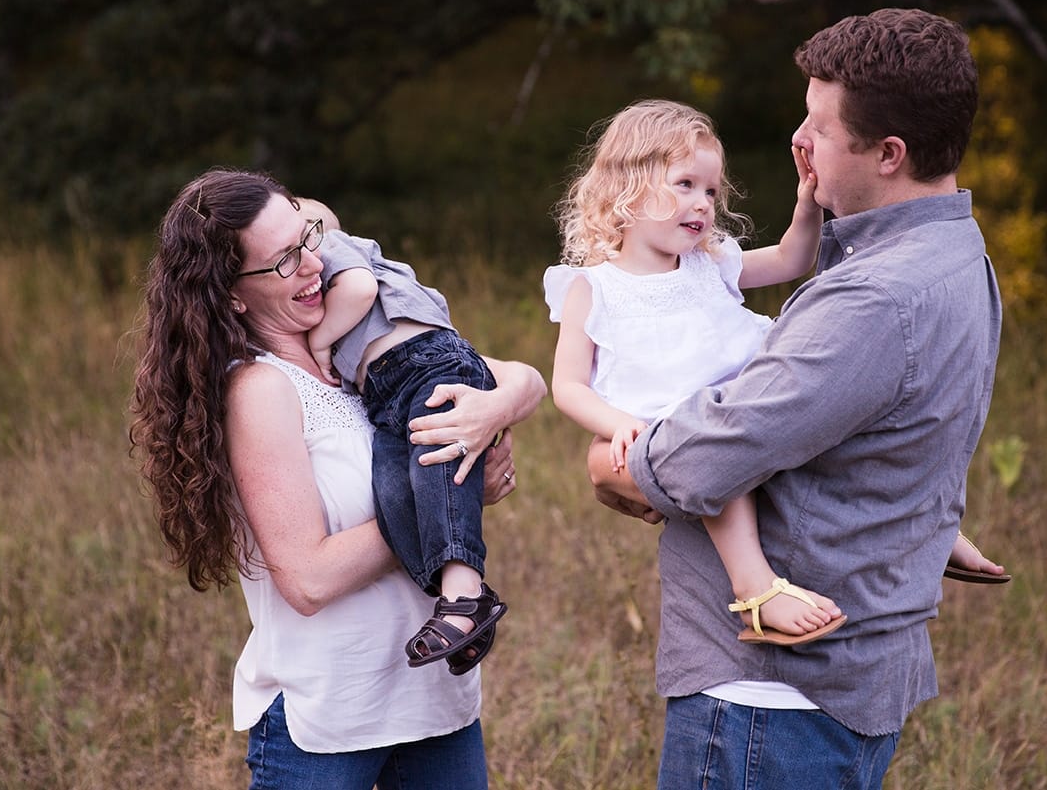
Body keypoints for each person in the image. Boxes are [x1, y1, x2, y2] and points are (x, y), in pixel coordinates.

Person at [588, 9, 1004, 788]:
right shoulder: (957, 253)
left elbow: (697, 463)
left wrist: (609, 461)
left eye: (818, 125)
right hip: (844, 680)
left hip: (770, 703)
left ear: (888, 153)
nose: (798, 141)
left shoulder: (873, 300)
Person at [130, 168, 546, 788]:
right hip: (329, 724)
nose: (312, 265)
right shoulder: (261, 388)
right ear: (232, 295)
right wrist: (449, 502)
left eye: (308, 240)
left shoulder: (360, 350)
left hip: (435, 706)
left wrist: (494, 410)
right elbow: (309, 579)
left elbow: (524, 376)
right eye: (283, 262)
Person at [545, 98, 846, 645]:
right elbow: (566, 386)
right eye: (685, 184)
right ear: (626, 189)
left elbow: (789, 260)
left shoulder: (709, 263)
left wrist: (807, 203)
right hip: (674, 428)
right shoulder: (594, 287)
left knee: (833, 418)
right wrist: (619, 424)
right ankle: (755, 590)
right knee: (713, 453)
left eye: (710, 191)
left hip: (751, 403)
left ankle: (925, 527)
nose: (703, 204)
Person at [298, 196, 507, 673]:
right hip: (386, 394)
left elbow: (359, 288)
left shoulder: (332, 246)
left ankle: (462, 601)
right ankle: (468, 601)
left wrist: (320, 340)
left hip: (427, 362)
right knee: (393, 496)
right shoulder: (317, 258)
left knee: (435, 473)